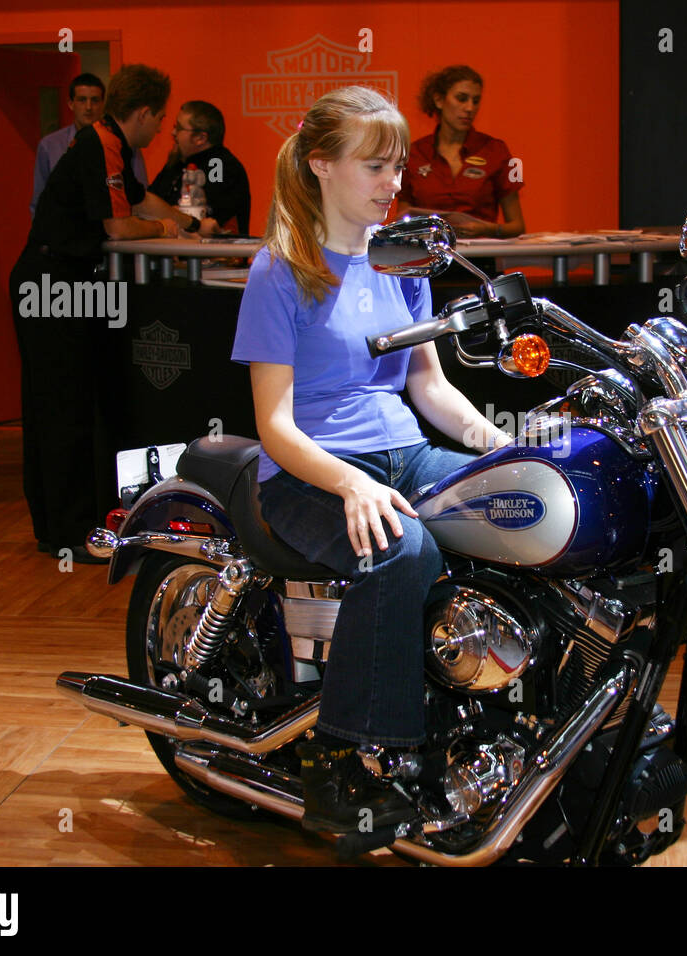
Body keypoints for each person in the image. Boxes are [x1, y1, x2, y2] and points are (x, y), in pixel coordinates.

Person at [230, 86, 508, 833]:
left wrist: (503, 450)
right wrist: (351, 482)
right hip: (307, 474)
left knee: (516, 512)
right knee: (402, 549)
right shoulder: (279, 269)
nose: (393, 183)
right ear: (320, 164)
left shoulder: (403, 265)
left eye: (395, 167)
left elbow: (431, 388)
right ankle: (344, 757)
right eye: (374, 167)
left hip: (404, 453)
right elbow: (275, 425)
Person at [8, 64, 216, 559]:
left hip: (52, 283)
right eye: (160, 117)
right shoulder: (100, 143)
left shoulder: (109, 145)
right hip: (53, 286)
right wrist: (173, 231)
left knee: (53, 407)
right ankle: (71, 531)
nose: (162, 128)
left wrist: (187, 219)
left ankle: (54, 525)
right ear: (142, 113)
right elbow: (120, 227)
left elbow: (140, 201)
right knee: (65, 410)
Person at [397, 65, 524, 238]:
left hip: (481, 259)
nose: (470, 108)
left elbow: (517, 227)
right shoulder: (414, 154)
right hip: (430, 259)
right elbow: (402, 223)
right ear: (439, 100)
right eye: (461, 99)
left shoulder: (495, 151)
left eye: (476, 101)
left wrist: (487, 229)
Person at [30, 73, 148, 216]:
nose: (88, 107)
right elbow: (39, 202)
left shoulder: (124, 145)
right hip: (64, 232)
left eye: (95, 100)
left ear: (103, 104)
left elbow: (141, 199)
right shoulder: (49, 145)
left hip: (113, 231)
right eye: (82, 100)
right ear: (70, 104)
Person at [149, 100, 251, 233]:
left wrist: (171, 213)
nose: (173, 132)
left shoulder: (219, 165)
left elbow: (209, 214)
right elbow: (151, 199)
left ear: (200, 138)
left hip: (212, 251)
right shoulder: (177, 162)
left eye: (179, 128)